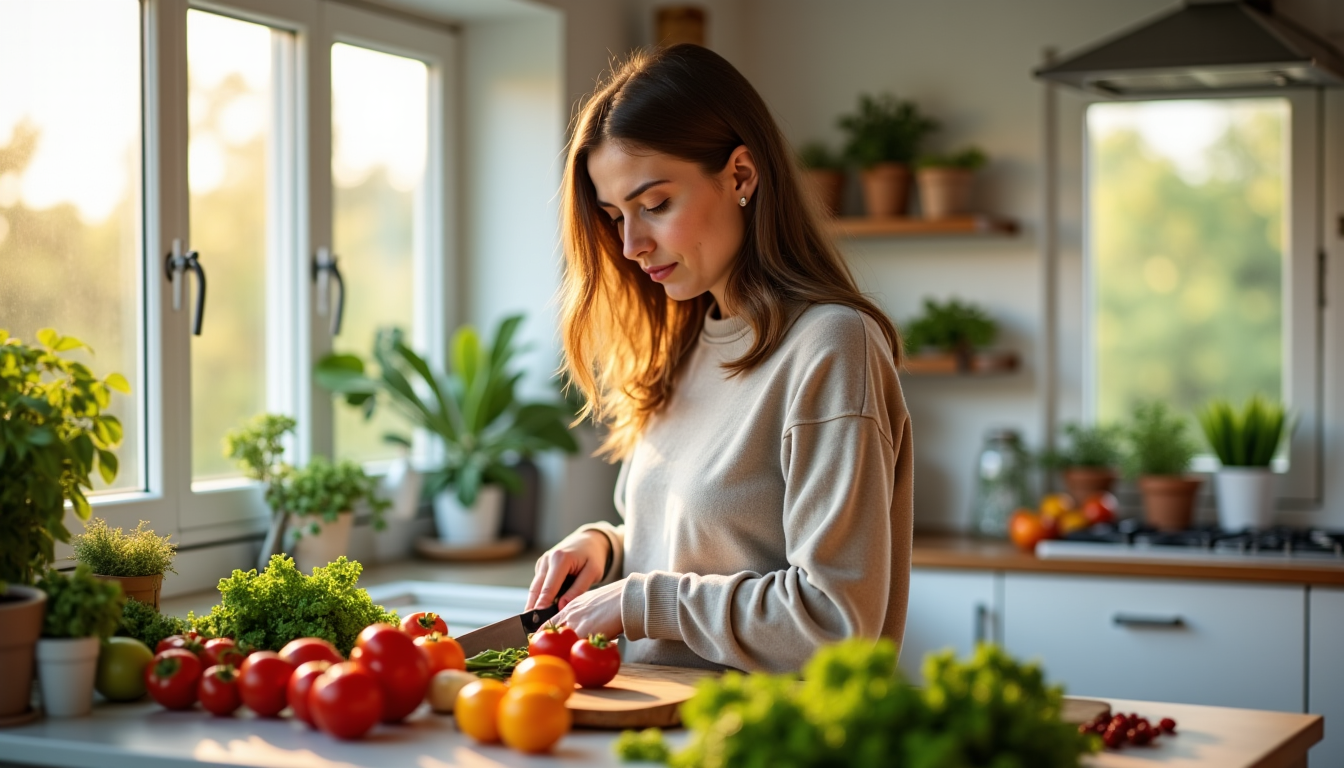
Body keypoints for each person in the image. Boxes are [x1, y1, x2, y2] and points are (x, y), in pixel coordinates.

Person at [526, 43, 913, 674]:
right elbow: (700, 550)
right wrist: (609, 549)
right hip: (659, 729)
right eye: (614, 215)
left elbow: (835, 622)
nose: (630, 244)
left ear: (740, 175)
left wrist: (640, 599)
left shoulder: (832, 347)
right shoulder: (680, 345)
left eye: (654, 205)